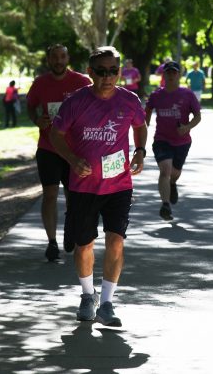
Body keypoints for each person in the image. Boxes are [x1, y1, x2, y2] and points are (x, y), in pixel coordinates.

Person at [49, 46, 147, 327]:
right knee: (84, 244)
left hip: (119, 185)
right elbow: (56, 135)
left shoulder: (129, 101)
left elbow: (140, 126)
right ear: (90, 72)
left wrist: (140, 151)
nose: (108, 77)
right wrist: (72, 159)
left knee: (116, 241)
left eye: (113, 71)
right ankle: (87, 295)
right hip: (83, 186)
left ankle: (106, 303)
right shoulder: (75, 102)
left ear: (120, 71)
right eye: (101, 71)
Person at [26, 44, 91, 262]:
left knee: (74, 197)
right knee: (50, 195)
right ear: (48, 60)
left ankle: (70, 229)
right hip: (48, 148)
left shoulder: (82, 82)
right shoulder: (40, 83)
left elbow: (96, 104)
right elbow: (30, 106)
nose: (58, 61)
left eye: (62, 56)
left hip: (74, 150)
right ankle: (52, 242)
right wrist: (37, 119)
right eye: (54, 57)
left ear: (67, 58)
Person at [145, 60, 201, 221]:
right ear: (164, 75)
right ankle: (165, 205)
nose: (170, 75)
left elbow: (198, 117)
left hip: (182, 141)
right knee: (165, 171)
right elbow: (147, 110)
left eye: (173, 72)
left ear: (179, 75)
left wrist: (187, 127)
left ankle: (172, 184)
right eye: (167, 72)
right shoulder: (157, 95)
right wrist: (144, 126)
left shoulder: (187, 94)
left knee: (175, 173)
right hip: (162, 139)